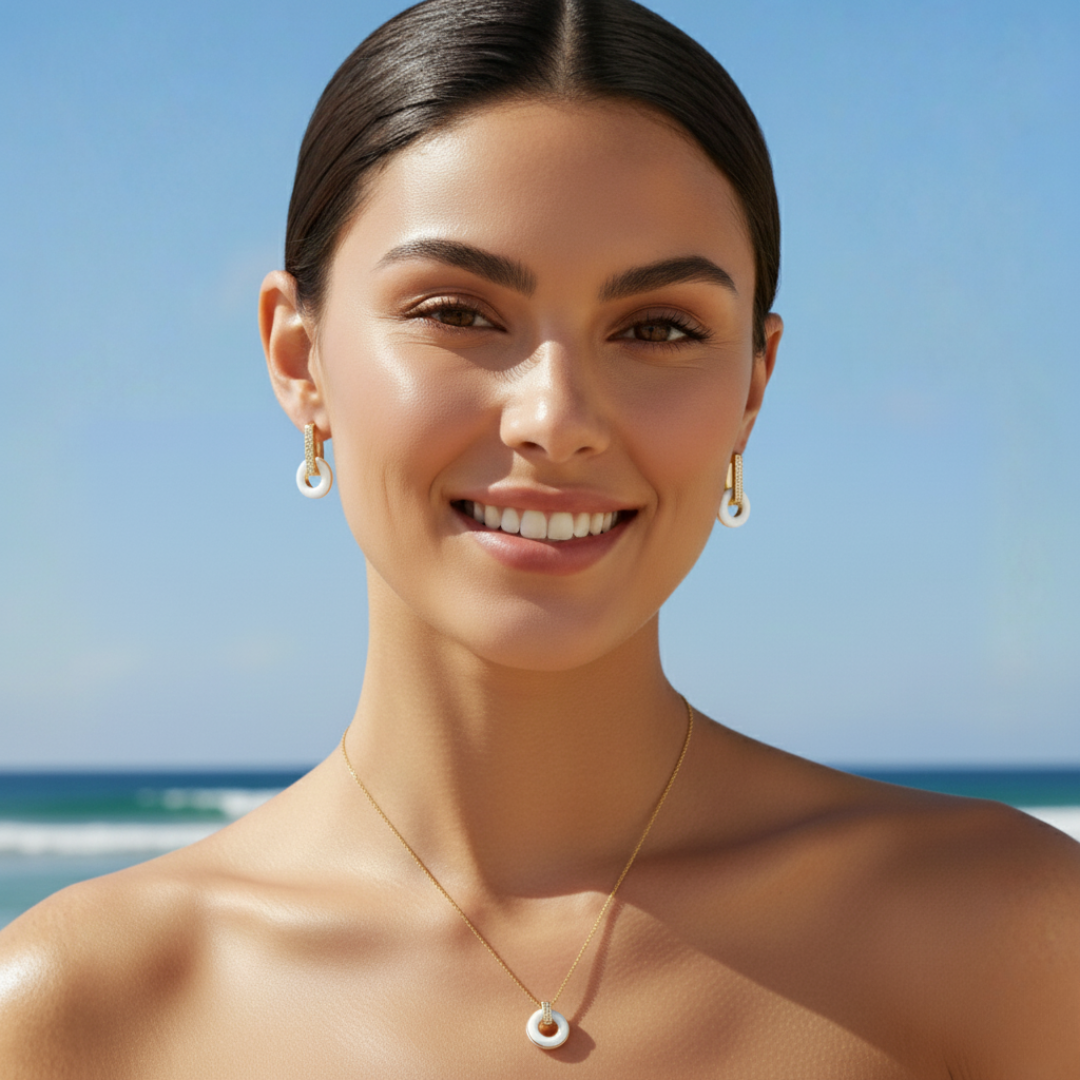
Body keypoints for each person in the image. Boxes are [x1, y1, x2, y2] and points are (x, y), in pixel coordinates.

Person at [2, 0, 1078, 1074]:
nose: (555, 417)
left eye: (657, 329)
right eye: (458, 313)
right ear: (299, 357)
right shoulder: (76, 1014)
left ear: (754, 383)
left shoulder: (1013, 937)